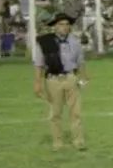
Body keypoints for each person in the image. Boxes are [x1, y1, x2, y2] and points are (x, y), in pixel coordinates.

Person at [33, 12, 88, 151]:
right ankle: (57, 143)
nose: (64, 27)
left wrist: (84, 77)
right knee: (55, 113)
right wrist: (38, 83)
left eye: (67, 24)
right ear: (55, 27)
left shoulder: (75, 41)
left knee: (76, 112)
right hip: (53, 79)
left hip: (71, 77)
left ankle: (79, 141)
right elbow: (39, 64)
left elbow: (80, 61)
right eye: (61, 24)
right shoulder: (45, 42)